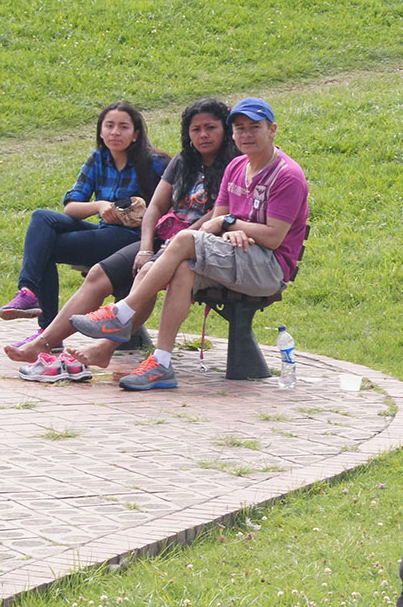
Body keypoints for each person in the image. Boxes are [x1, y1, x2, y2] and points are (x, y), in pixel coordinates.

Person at [71, 97, 309, 391]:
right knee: (183, 267)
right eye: (240, 128)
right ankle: (160, 363)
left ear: (272, 130)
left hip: (267, 268)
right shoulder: (236, 166)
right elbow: (215, 222)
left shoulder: (287, 176)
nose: (246, 134)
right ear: (233, 134)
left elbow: (272, 237)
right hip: (235, 253)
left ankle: (121, 313)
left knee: (184, 239)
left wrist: (232, 224)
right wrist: (230, 226)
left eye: (254, 127)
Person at [5, 99, 240, 376]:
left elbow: (216, 213)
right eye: (195, 129)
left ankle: (103, 349)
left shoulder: (232, 166)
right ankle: (42, 342)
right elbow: (155, 207)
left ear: (225, 130)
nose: (202, 135)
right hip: (156, 240)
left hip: (195, 246)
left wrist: (174, 242)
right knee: (97, 274)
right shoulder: (182, 161)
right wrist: (143, 247)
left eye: (210, 128)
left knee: (146, 275)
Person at [0, 102, 169, 340]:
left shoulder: (155, 163)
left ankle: (46, 332)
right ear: (100, 131)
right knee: (41, 217)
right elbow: (71, 207)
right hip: (103, 231)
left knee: (46, 248)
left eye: (123, 127)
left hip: (134, 239)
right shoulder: (99, 158)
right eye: (109, 126)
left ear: (136, 133)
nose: (115, 132)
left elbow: (170, 205)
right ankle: (27, 292)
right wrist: (99, 205)